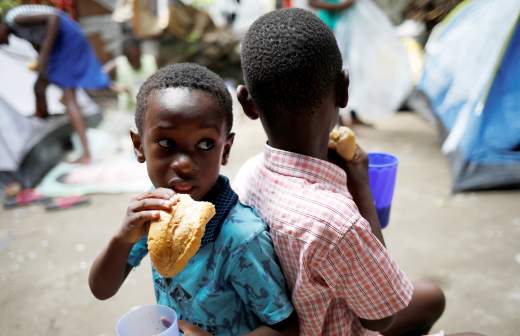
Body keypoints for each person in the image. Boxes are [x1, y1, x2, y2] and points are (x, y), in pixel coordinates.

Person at [234, 8, 483, 336]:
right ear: (343, 89)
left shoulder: (248, 174)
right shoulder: (336, 223)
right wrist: (361, 184)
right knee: (449, 314)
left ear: (248, 104)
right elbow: (381, 316)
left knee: (428, 296)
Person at [88, 63, 298, 336]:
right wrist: (122, 238)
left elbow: (286, 328)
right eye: (166, 144)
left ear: (226, 149)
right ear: (139, 146)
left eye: (205, 144)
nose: (185, 164)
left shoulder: (241, 239)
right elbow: (102, 289)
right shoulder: (155, 212)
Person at [0, 5, 111, 164]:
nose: (1, 43)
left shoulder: (15, 19)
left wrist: (44, 58)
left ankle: (86, 155)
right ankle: (43, 123)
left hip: (67, 39)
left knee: (69, 96)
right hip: (59, 43)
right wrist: (42, 63)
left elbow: (54, 18)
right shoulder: (16, 30)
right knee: (39, 87)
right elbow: (38, 42)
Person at [104, 36, 158, 113]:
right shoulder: (118, 63)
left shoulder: (151, 61)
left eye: (136, 57)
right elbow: (99, 77)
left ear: (140, 51)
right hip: (129, 110)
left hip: (151, 107)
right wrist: (114, 87)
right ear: (125, 56)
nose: (134, 61)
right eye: (131, 59)